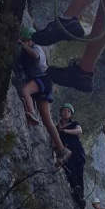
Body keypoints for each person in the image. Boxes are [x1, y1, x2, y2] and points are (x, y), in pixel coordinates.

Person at [18, 27, 71, 166]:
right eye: (24, 41)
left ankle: (31, 113)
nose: (26, 43)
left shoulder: (37, 48)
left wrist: (21, 44)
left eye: (28, 40)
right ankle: (62, 149)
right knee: (47, 121)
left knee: (25, 91)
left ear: (32, 40)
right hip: (43, 83)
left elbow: (35, 56)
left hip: (43, 79)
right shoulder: (27, 51)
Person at [58, 102, 86, 209]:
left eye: (68, 111)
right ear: (61, 112)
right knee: (70, 170)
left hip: (77, 150)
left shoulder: (74, 124)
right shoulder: (57, 127)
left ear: (71, 115)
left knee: (79, 173)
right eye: (64, 111)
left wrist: (65, 131)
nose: (66, 113)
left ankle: (81, 197)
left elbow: (79, 131)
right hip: (66, 150)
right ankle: (76, 191)